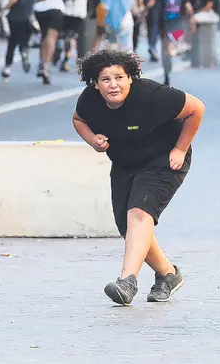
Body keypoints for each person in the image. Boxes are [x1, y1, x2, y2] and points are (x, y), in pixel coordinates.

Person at [72, 49, 205, 305]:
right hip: (125, 162)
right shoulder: (89, 100)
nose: (113, 85)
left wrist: (180, 149)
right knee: (127, 225)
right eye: (106, 79)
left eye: (119, 78)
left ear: (130, 78)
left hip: (164, 159)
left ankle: (127, 281)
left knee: (139, 213)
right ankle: (168, 275)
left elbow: (197, 109)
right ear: (96, 84)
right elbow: (78, 119)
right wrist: (92, 139)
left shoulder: (152, 95)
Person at [28, 0, 72, 85]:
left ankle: (42, 62)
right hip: (55, 7)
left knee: (44, 36)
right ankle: (46, 66)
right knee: (51, 37)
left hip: (39, 8)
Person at [146, 0, 194, 85]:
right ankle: (174, 50)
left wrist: (144, 11)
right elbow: (188, 7)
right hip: (177, 23)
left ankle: (167, 73)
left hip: (163, 23)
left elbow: (150, 3)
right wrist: (190, 19)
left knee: (165, 49)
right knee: (172, 44)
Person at [0, 0, 43, 80]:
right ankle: (24, 50)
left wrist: (4, 8)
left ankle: (7, 68)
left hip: (14, 17)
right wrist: (33, 2)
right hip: (28, 17)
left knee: (12, 42)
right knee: (25, 39)